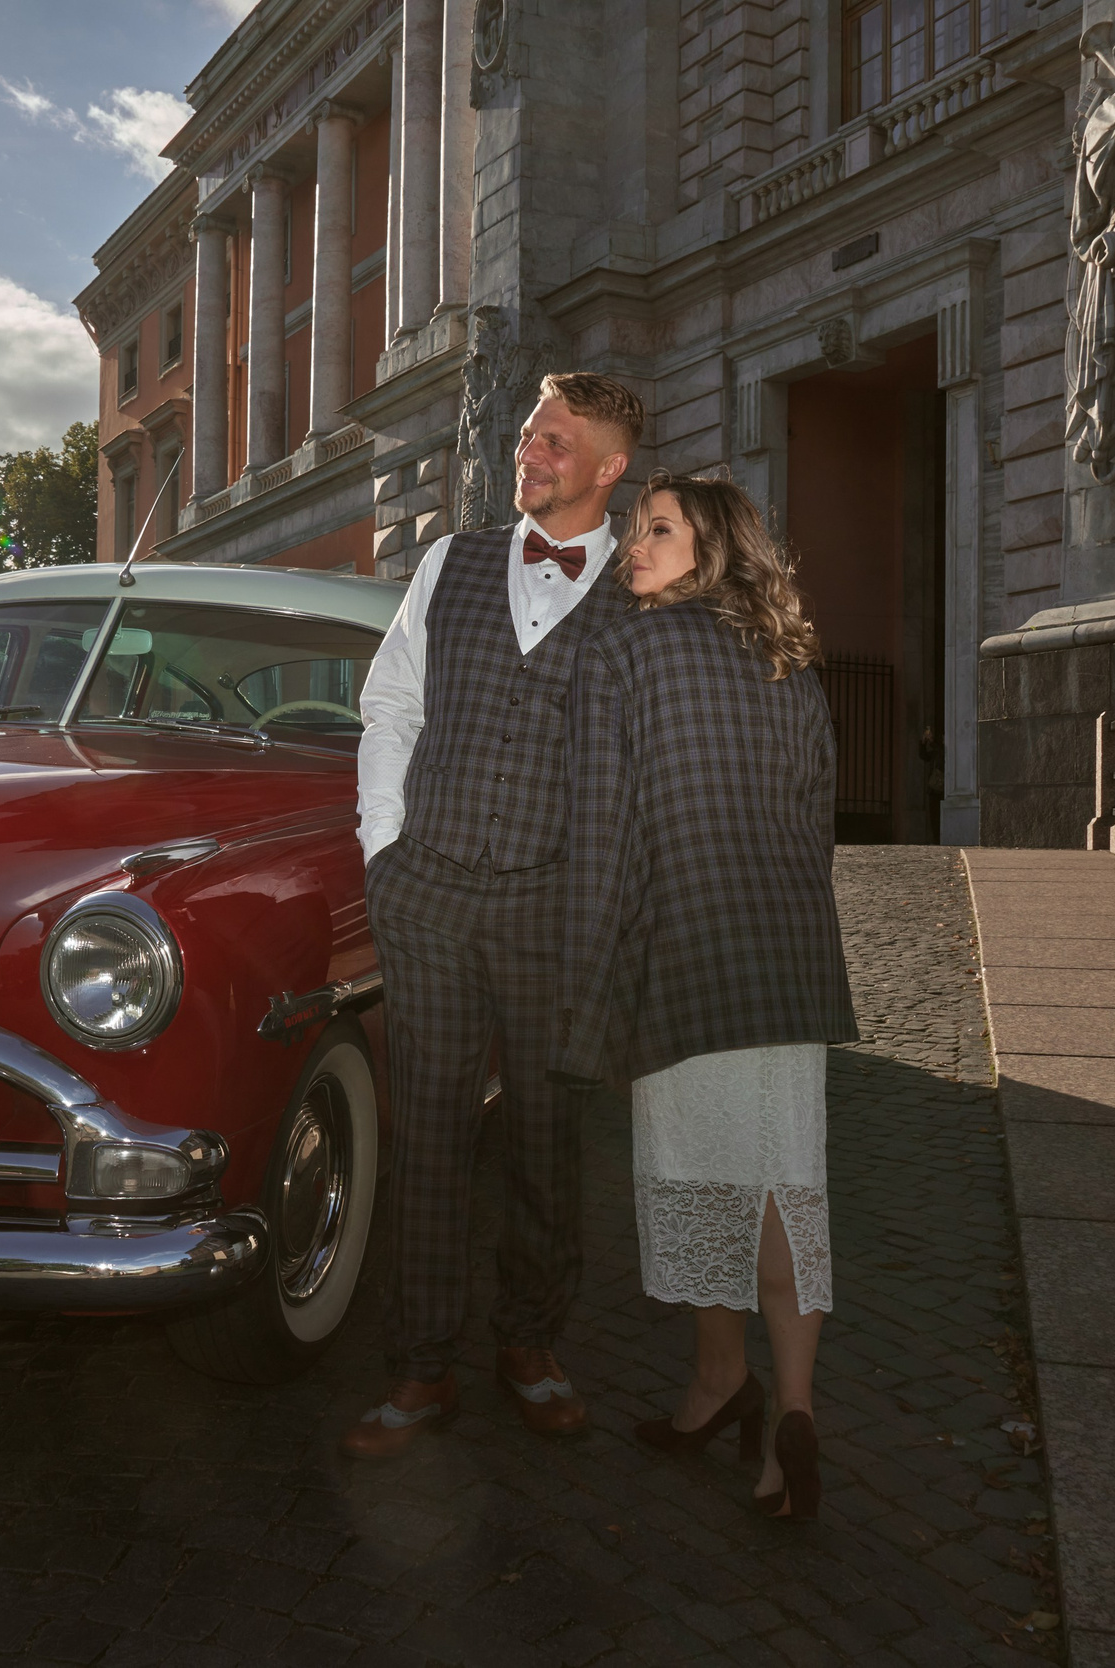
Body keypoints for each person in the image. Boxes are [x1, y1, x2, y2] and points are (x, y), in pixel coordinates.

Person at [341, 371, 646, 1460]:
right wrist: (385, 848)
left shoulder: (644, 592)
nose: (530, 452)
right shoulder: (450, 560)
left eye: (556, 440)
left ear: (609, 468)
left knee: (545, 1137)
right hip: (428, 892)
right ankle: (420, 1366)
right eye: (528, 434)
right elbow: (391, 703)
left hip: (554, 908)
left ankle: (530, 1345)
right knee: (426, 1131)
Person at [552, 470, 857, 1522]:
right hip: (786, 958)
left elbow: (601, 843)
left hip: (679, 955)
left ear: (712, 548)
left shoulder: (621, 654)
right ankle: (787, 1409)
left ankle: (722, 1379)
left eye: (659, 530)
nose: (632, 545)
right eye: (634, 529)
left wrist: (586, 1005)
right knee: (783, 1181)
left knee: (700, 1178)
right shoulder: (788, 660)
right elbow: (817, 823)